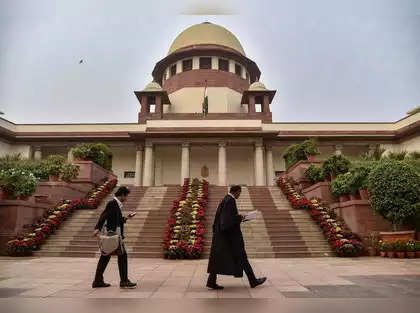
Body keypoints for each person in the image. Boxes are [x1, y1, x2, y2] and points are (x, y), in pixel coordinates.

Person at [206, 185, 266, 290]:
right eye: (240, 193)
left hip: (223, 237)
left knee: (218, 259)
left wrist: (239, 218)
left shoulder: (226, 199)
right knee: (242, 258)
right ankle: (253, 281)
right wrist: (240, 217)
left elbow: (225, 219)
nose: (240, 195)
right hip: (231, 238)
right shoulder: (230, 201)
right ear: (236, 191)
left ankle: (211, 282)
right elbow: (226, 221)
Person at [92, 186, 137, 289]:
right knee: (122, 256)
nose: (126, 198)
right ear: (122, 195)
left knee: (105, 257)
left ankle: (98, 281)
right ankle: (124, 281)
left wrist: (127, 218)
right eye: (126, 196)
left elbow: (116, 219)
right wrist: (97, 228)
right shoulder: (112, 203)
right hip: (113, 235)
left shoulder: (116, 204)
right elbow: (104, 215)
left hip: (114, 234)